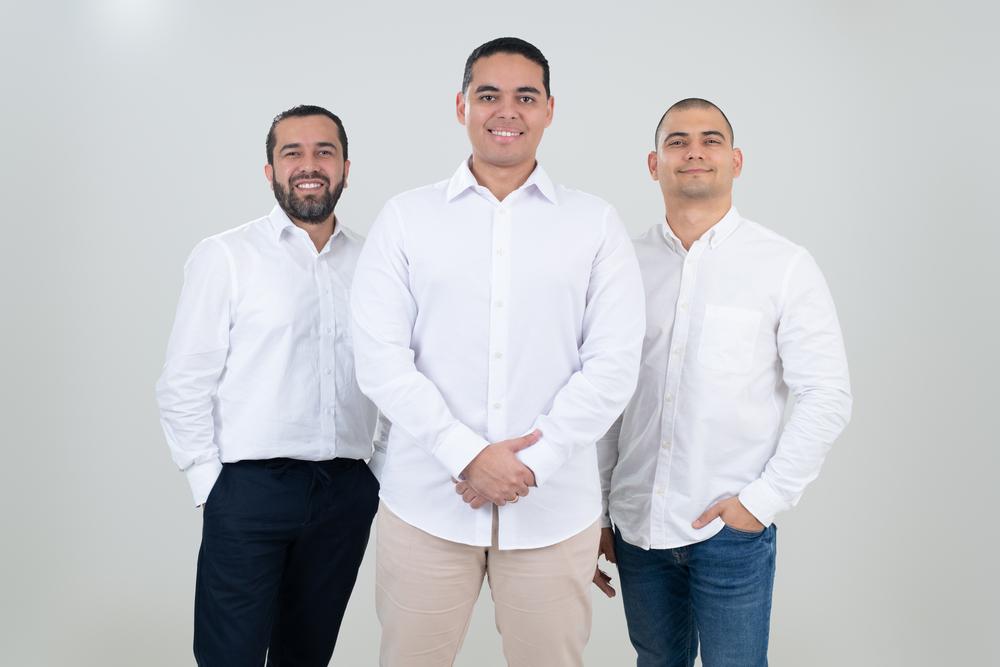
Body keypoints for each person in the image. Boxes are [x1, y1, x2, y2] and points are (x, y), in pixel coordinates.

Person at [350, 37, 645, 667]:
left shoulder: (594, 223)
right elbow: (380, 359)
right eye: (488, 95)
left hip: (552, 509)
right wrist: (467, 455)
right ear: (461, 105)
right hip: (426, 504)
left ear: (549, 110)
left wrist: (530, 465)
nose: (505, 110)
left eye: (524, 97)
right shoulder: (406, 218)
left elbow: (614, 363)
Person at [595, 98, 852, 667]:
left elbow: (826, 393)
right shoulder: (620, 265)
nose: (694, 152)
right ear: (652, 162)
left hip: (730, 532)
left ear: (735, 161)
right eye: (677, 140)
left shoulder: (783, 265)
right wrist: (597, 507)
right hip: (637, 527)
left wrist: (761, 502)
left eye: (711, 140)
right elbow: (604, 397)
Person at [155, 105, 379, 666]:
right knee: (230, 656)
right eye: (292, 153)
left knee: (307, 655)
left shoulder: (376, 261)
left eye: (324, 152)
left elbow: (399, 371)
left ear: (346, 167)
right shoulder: (226, 257)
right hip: (249, 493)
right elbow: (184, 381)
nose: (310, 165)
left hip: (345, 493)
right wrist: (212, 486)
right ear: (270, 169)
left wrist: (379, 469)